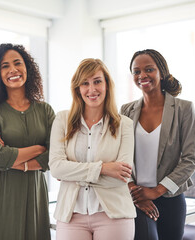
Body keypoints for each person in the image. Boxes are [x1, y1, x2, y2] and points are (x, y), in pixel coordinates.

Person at [49, 58, 136, 240]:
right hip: (71, 215)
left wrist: (71, 174)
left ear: (106, 85)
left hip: (114, 215)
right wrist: (104, 169)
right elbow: (56, 168)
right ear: (78, 89)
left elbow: (122, 177)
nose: (92, 89)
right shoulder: (62, 120)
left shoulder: (124, 125)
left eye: (97, 81)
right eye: (85, 83)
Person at [0, 43, 55, 240]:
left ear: (27, 67)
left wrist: (15, 159)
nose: (13, 69)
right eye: (4, 66)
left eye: (17, 63)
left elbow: (55, 155)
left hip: (34, 197)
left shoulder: (45, 111)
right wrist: (39, 148)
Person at [120, 49, 195, 240]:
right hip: (136, 198)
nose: (142, 76)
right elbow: (119, 155)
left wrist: (157, 191)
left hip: (170, 198)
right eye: (136, 71)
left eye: (149, 69)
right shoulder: (126, 111)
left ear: (161, 72)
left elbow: (190, 159)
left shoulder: (184, 109)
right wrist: (133, 189)